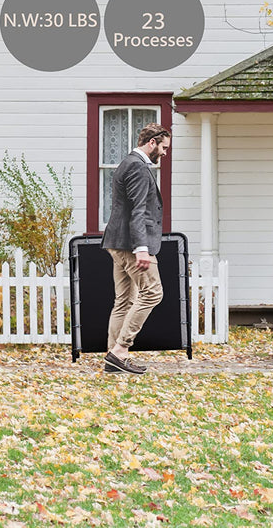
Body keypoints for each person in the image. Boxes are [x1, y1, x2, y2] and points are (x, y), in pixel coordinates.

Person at [100, 124, 170, 374]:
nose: (164, 153)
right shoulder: (138, 167)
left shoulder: (128, 163)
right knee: (153, 293)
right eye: (163, 148)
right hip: (131, 244)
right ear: (152, 142)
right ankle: (120, 351)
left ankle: (112, 358)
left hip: (117, 242)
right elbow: (138, 210)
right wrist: (141, 248)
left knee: (124, 301)